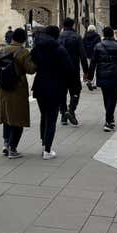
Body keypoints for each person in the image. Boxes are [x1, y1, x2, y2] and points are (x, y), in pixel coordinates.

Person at [0, 27, 36, 158]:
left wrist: (2, 67)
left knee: (7, 118)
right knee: (18, 119)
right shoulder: (23, 52)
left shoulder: (3, 50)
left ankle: (6, 144)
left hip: (3, 89)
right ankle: (12, 149)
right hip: (17, 89)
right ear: (24, 39)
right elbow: (31, 69)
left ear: (13, 37)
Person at [31, 25, 76, 160]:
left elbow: (31, 63)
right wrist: (73, 87)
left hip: (40, 86)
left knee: (43, 116)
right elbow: (69, 69)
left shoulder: (37, 48)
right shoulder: (60, 50)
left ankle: (44, 143)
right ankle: (47, 150)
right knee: (51, 118)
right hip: (56, 87)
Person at [90, 27, 117, 132]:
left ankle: (110, 118)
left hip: (102, 74)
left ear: (103, 34)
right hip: (115, 75)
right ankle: (109, 120)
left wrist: (89, 77)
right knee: (113, 98)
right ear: (112, 34)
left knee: (106, 97)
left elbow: (93, 62)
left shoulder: (98, 46)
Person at [58, 17, 87, 126]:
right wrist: (86, 71)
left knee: (61, 92)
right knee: (75, 91)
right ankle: (71, 110)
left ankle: (63, 115)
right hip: (73, 69)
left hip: (60, 69)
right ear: (73, 25)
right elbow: (83, 55)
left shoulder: (58, 37)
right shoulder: (77, 37)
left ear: (63, 25)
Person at [83, 25, 101, 91]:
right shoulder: (97, 36)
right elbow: (99, 45)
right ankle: (93, 83)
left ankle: (89, 80)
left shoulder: (85, 36)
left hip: (87, 54)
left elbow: (83, 45)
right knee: (94, 68)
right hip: (94, 54)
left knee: (88, 68)